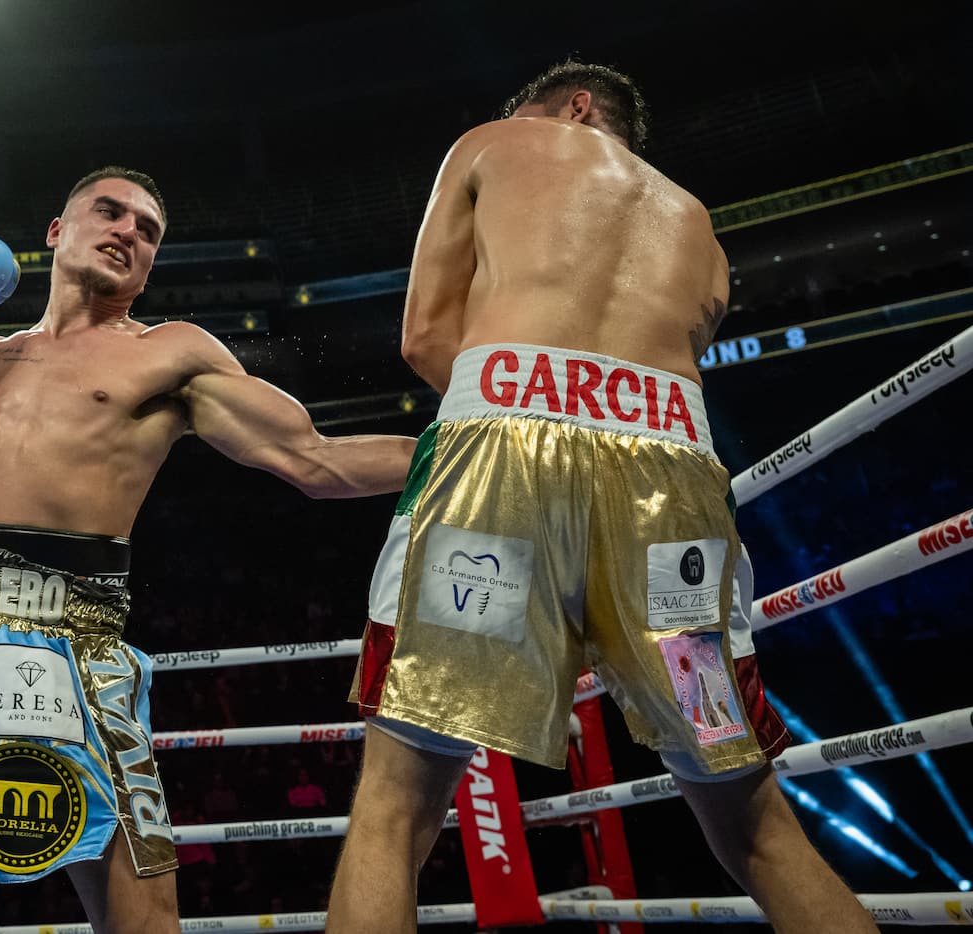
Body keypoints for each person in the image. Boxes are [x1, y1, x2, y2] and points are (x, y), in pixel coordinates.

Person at [0, 166, 417, 934]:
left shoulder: (172, 354)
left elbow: (314, 461)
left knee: (144, 927)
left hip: (71, 650)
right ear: (58, 232)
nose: (129, 231)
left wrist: (462, 451)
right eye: (110, 211)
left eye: (149, 229)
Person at [325, 63, 877, 934]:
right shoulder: (701, 228)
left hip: (503, 453)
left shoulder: (490, 144)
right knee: (757, 825)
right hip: (675, 488)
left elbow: (427, 336)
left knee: (395, 809)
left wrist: (515, 416)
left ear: (574, 106)